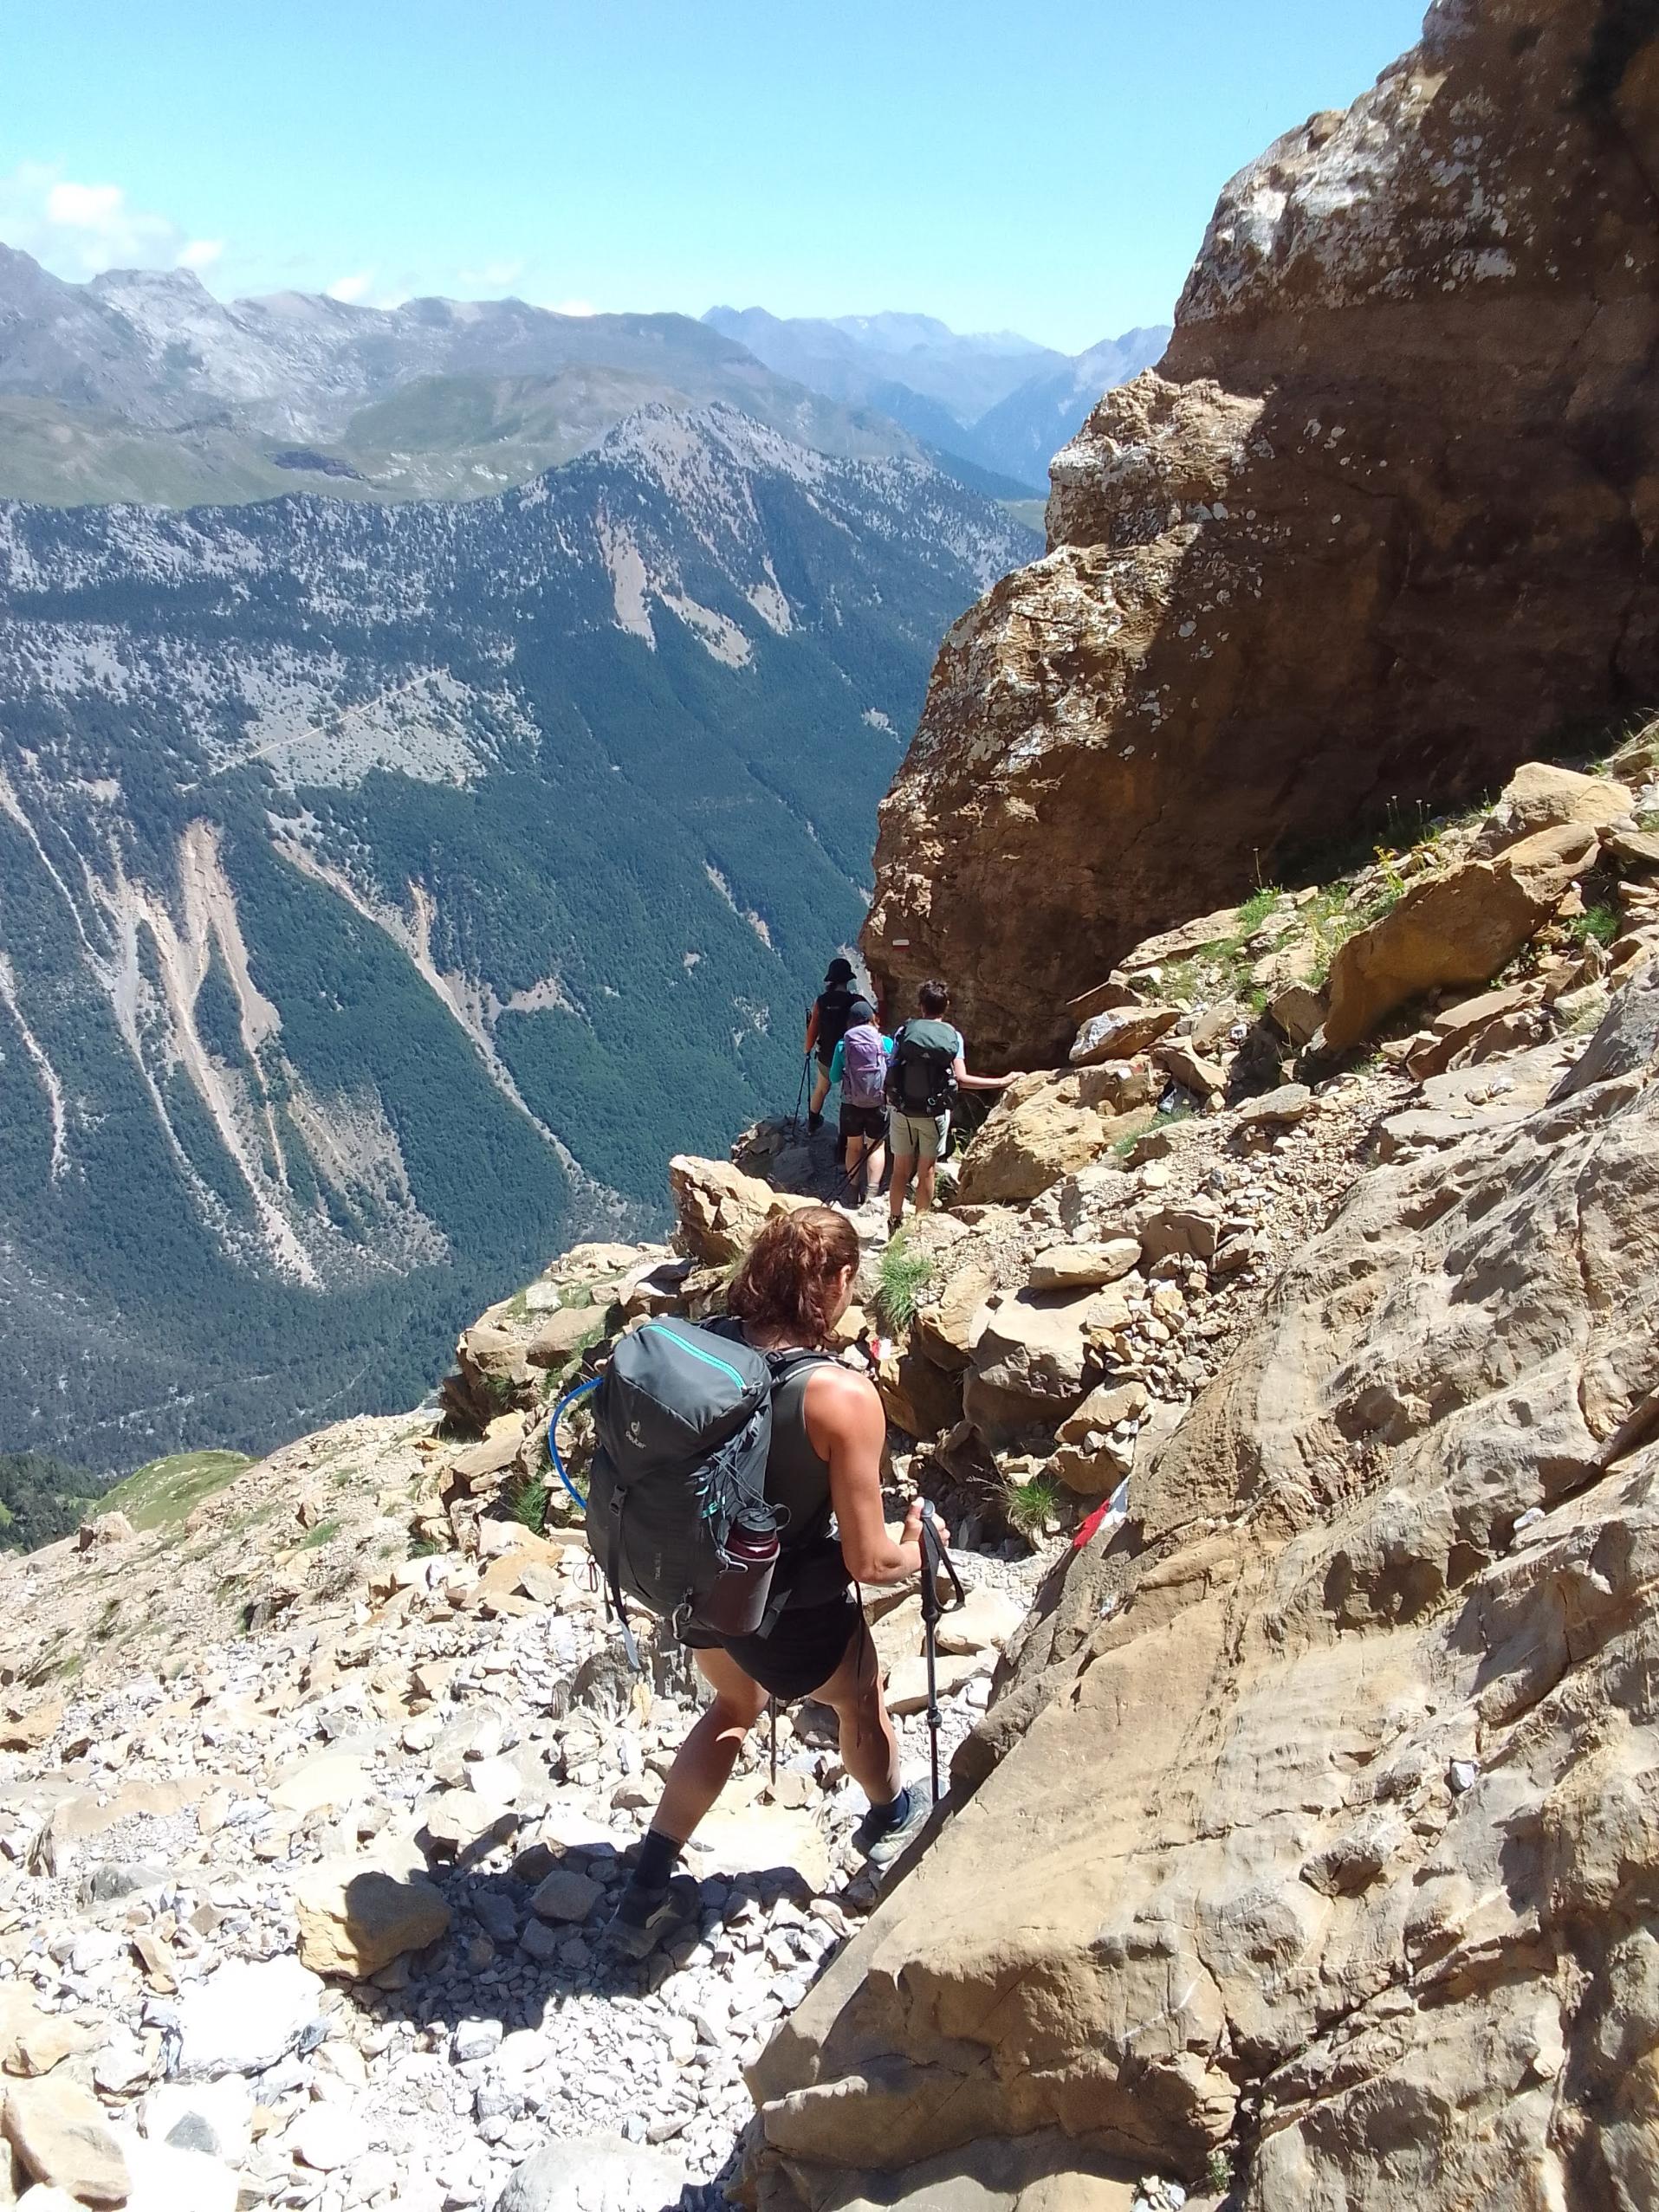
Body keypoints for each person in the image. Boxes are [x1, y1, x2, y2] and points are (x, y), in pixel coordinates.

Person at [606, 1207, 943, 1957]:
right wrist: (922, 1550)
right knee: (859, 1698)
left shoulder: (710, 1344)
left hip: (696, 1586)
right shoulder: (841, 1397)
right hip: (779, 1606)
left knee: (733, 1703)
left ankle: (646, 1887)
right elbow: (869, 1562)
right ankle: (890, 1817)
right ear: (840, 1281)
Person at [886, 979, 1015, 1235]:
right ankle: (919, 1228)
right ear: (947, 1005)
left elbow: (892, 1070)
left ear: (920, 1004)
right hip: (934, 1114)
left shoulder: (904, 1031)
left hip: (902, 1110)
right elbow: (962, 1079)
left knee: (900, 1170)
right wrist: (1003, 1081)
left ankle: (894, 1220)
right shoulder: (952, 1036)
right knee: (927, 1170)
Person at [828, 999, 891, 1206]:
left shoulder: (843, 1044)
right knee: (876, 1147)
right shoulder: (886, 1043)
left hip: (850, 1103)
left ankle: (853, 1191)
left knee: (853, 1146)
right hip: (878, 1102)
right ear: (871, 1018)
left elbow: (834, 1076)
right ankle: (871, 1196)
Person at [802, 958, 859, 1132]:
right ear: (848, 979)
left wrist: (807, 1049)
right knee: (848, 1095)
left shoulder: (821, 1001)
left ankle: (812, 1122)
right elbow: (876, 1022)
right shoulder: (856, 1001)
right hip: (850, 1059)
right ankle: (846, 1134)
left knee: (821, 1088)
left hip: (827, 1056)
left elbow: (813, 1029)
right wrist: (881, 999)